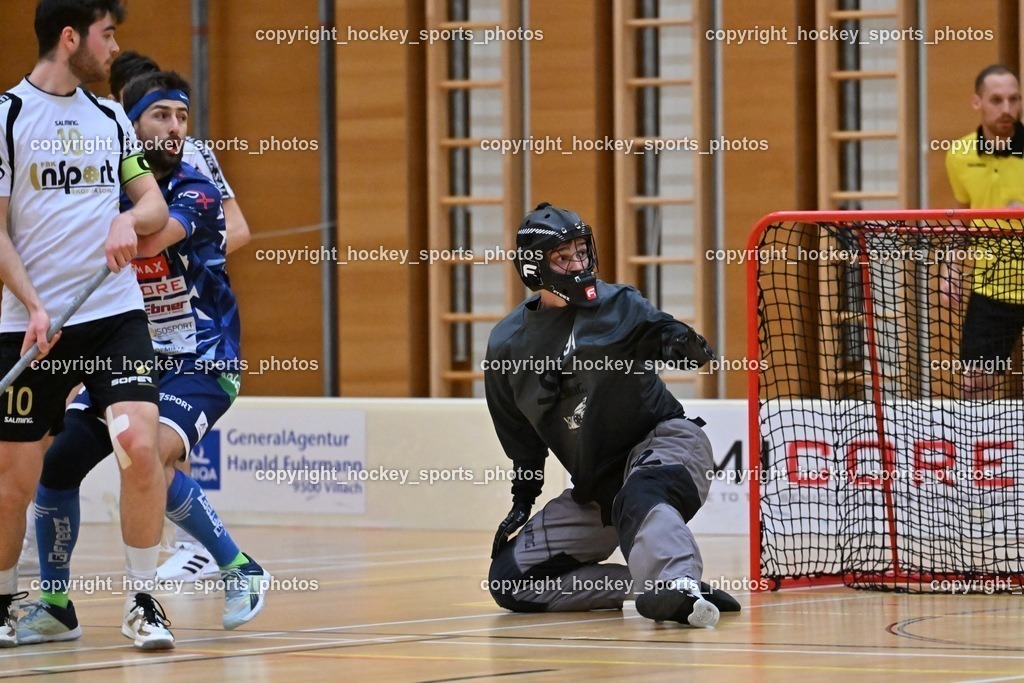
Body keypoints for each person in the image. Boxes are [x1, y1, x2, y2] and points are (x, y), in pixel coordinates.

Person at [16, 70, 272, 646]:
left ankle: (241, 570)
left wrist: (100, 221)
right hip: (131, 354)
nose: (176, 127)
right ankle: (55, 604)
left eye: (182, 117)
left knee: (149, 454)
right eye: (161, 116)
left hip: (202, 359)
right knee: (56, 466)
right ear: (129, 128)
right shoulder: (108, 190)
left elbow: (147, 239)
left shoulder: (195, 191)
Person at [0, 0, 172, 649]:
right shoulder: (7, 116)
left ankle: (143, 600)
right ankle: (6, 600)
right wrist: (34, 304)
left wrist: (132, 219)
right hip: (30, 325)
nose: (113, 47)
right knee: (13, 480)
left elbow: (151, 198)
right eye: (106, 35)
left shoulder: (109, 117)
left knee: (138, 443)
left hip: (112, 315)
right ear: (70, 37)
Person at [484, 203, 740, 628]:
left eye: (581, 251)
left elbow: (659, 331)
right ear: (534, 268)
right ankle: (647, 588)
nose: (579, 263)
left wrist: (679, 341)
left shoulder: (618, 303)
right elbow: (522, 440)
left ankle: (677, 585)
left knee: (640, 495)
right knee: (512, 581)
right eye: (563, 257)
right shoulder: (506, 346)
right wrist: (521, 501)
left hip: (665, 442)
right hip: (599, 486)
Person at [943, 64, 1024, 399]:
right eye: (996, 100)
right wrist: (951, 266)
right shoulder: (959, 155)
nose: (1006, 109)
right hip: (991, 285)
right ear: (977, 102)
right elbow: (962, 216)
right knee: (973, 383)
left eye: (1014, 99)